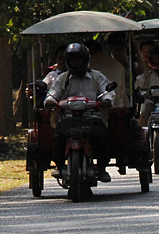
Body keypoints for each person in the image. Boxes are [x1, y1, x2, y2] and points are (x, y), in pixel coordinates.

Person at [44, 43, 116, 182]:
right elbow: (53, 94)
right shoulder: (62, 79)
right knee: (58, 138)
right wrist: (50, 101)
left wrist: (106, 100)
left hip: (92, 117)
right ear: (67, 61)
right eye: (72, 59)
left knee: (102, 137)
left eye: (79, 59)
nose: (76, 62)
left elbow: (107, 92)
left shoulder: (97, 76)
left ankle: (102, 169)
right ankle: (59, 165)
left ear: (85, 60)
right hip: (67, 118)